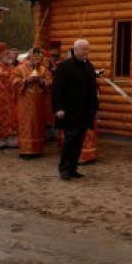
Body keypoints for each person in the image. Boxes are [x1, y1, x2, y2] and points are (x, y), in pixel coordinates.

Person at [52, 39, 99, 180]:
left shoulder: (88, 66)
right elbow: (57, 88)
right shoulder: (65, 66)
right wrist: (58, 108)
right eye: (83, 49)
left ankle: (73, 168)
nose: (86, 52)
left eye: (87, 49)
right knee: (70, 140)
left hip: (84, 112)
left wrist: (95, 109)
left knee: (79, 141)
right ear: (75, 50)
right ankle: (64, 168)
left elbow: (92, 89)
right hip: (69, 111)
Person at [12, 48, 53, 159]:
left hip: (39, 103)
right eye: (35, 59)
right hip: (24, 103)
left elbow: (49, 82)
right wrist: (26, 81)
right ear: (29, 58)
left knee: (38, 125)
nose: (37, 62)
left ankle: (37, 149)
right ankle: (26, 151)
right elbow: (14, 82)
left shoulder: (43, 69)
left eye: (39, 60)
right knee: (27, 125)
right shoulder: (19, 69)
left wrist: (41, 81)